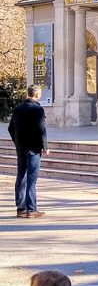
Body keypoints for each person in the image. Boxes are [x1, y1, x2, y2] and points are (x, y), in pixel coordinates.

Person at [8, 85, 48, 218]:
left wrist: (17, 142)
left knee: (21, 177)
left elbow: (10, 128)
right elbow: (41, 129)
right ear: (37, 94)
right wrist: (45, 146)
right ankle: (31, 209)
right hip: (33, 148)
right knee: (31, 178)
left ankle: (21, 208)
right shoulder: (38, 109)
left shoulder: (18, 108)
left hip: (21, 148)